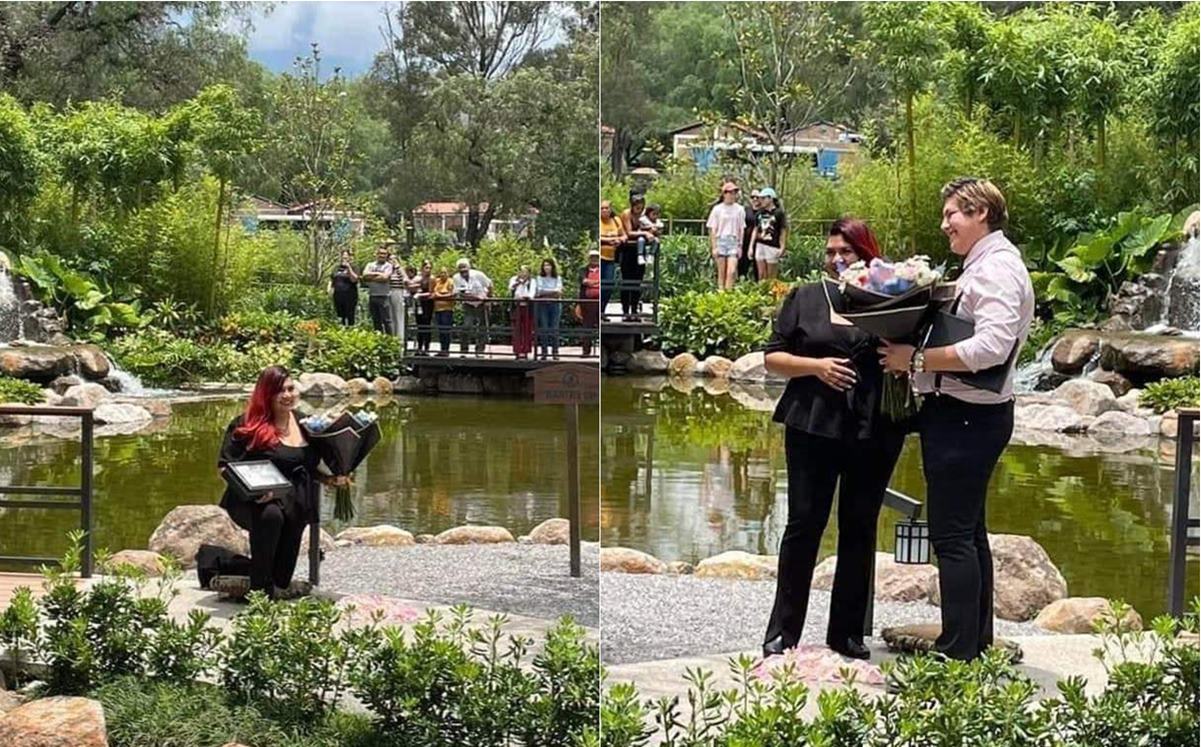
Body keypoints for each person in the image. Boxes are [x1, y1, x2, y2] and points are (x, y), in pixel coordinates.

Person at [879, 178, 1034, 661]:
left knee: (951, 536)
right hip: (966, 416)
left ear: (981, 212)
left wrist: (917, 360)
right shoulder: (987, 265)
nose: (944, 223)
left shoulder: (997, 271)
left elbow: (991, 347)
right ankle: (974, 641)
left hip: (967, 418)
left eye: (953, 214)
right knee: (967, 532)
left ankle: (957, 651)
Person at [761, 217, 907, 661]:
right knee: (803, 525)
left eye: (848, 252)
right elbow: (772, 357)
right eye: (831, 252)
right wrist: (816, 367)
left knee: (859, 527)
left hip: (874, 425)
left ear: (868, 256)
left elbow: (910, 355)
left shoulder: (892, 299)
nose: (838, 259)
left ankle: (846, 634)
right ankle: (783, 633)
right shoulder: (805, 297)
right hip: (813, 422)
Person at [215, 366, 347, 600]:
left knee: (281, 578)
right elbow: (224, 467)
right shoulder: (247, 424)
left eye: (290, 388)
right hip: (253, 501)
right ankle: (259, 596)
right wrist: (255, 493)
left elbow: (307, 466)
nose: (288, 395)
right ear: (266, 395)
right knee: (270, 516)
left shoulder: (307, 424)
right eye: (280, 391)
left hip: (295, 501)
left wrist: (331, 479)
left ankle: (236, 573)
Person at [707, 181, 746, 291]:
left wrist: (740, 245)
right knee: (721, 271)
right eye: (730, 192)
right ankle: (721, 294)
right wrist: (714, 247)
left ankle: (729, 293)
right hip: (721, 240)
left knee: (732, 270)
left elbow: (741, 228)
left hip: (733, 241)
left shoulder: (740, 209)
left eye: (734, 192)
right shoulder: (717, 209)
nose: (732, 195)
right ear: (724, 194)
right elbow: (713, 229)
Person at [619, 193, 653, 321]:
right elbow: (629, 232)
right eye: (637, 207)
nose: (639, 210)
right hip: (627, 251)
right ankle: (625, 311)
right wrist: (644, 233)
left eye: (641, 207)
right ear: (632, 206)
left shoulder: (644, 216)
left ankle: (634, 310)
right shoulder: (627, 214)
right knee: (627, 281)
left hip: (640, 250)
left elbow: (652, 227)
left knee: (637, 281)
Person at [452, 258, 492, 354]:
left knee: (482, 327)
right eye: (460, 269)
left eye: (465, 269)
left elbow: (490, 285)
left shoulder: (478, 274)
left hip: (481, 304)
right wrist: (475, 297)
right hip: (468, 304)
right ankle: (464, 350)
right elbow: (459, 293)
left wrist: (488, 299)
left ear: (469, 268)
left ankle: (480, 350)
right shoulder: (456, 278)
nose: (463, 271)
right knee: (466, 326)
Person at [751, 187, 789, 282]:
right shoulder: (759, 213)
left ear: (770, 198)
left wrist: (782, 246)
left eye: (763, 198)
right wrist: (751, 247)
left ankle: (771, 293)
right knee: (761, 274)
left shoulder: (779, 213)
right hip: (760, 244)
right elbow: (755, 229)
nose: (761, 201)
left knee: (771, 276)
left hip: (772, 245)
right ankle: (762, 293)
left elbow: (783, 230)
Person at [599, 200, 626, 319]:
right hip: (599, 257)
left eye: (606, 208)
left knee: (609, 285)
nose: (604, 210)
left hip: (611, 258)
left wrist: (620, 240)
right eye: (602, 208)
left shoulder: (616, 220)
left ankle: (602, 311)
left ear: (610, 209)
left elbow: (624, 235)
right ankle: (598, 312)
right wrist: (606, 240)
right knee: (599, 285)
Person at [535, 258, 564, 360]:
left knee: (555, 328)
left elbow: (559, 291)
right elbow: (539, 291)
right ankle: (544, 352)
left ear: (553, 266)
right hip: (543, 305)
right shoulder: (539, 278)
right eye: (545, 265)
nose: (547, 267)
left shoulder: (558, 278)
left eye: (549, 265)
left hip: (555, 305)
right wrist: (552, 293)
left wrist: (546, 293)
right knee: (544, 328)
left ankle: (555, 352)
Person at [361, 247, 394, 334]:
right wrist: (378, 274)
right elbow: (364, 276)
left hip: (384, 296)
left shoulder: (389, 265)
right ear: (377, 254)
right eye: (380, 253)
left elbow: (385, 278)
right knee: (376, 320)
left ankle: (390, 340)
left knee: (387, 321)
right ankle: (378, 339)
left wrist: (370, 278)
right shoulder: (370, 264)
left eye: (384, 254)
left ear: (387, 255)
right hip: (372, 296)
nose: (382, 256)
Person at [509, 265, 536, 359]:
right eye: (521, 271)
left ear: (529, 273)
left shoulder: (532, 281)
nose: (523, 274)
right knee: (517, 329)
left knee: (526, 329)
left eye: (525, 272)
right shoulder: (514, 279)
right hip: (516, 306)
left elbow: (532, 294)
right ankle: (517, 350)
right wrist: (519, 283)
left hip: (527, 307)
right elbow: (511, 289)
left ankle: (525, 350)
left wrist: (527, 296)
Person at [579, 249, 601, 357]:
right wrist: (597, 283)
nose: (594, 259)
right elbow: (584, 281)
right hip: (587, 303)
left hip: (599, 302)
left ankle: (601, 352)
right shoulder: (583, 270)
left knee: (600, 326)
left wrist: (591, 283)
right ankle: (586, 351)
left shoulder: (602, 270)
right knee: (587, 326)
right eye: (592, 257)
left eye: (596, 257)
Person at [328, 250, 359, 326]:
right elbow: (332, 279)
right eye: (343, 256)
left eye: (346, 256)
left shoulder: (354, 267)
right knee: (340, 315)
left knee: (350, 315)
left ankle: (351, 331)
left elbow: (354, 279)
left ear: (349, 257)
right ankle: (341, 331)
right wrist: (329, 289)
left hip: (350, 295)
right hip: (338, 294)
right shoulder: (336, 268)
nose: (344, 257)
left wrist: (349, 268)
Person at [386, 249, 410, 344]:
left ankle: (400, 339)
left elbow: (406, 279)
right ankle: (391, 338)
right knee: (389, 316)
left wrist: (397, 266)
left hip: (398, 292)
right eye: (390, 259)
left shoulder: (399, 269)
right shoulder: (387, 268)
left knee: (398, 316)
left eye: (394, 259)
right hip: (387, 291)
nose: (392, 261)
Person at [432, 266, 455, 356]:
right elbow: (434, 293)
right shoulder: (437, 281)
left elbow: (452, 294)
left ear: (448, 273)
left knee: (446, 330)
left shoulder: (450, 282)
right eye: (441, 272)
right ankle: (442, 349)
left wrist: (440, 296)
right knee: (440, 330)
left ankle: (446, 350)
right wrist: (443, 295)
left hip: (447, 309)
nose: (443, 274)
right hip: (438, 309)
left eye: (445, 272)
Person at [740, 189, 762, 281]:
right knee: (742, 267)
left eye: (757, 197)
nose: (755, 199)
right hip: (745, 242)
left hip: (759, 243)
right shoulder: (745, 211)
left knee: (758, 269)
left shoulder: (764, 212)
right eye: (753, 197)